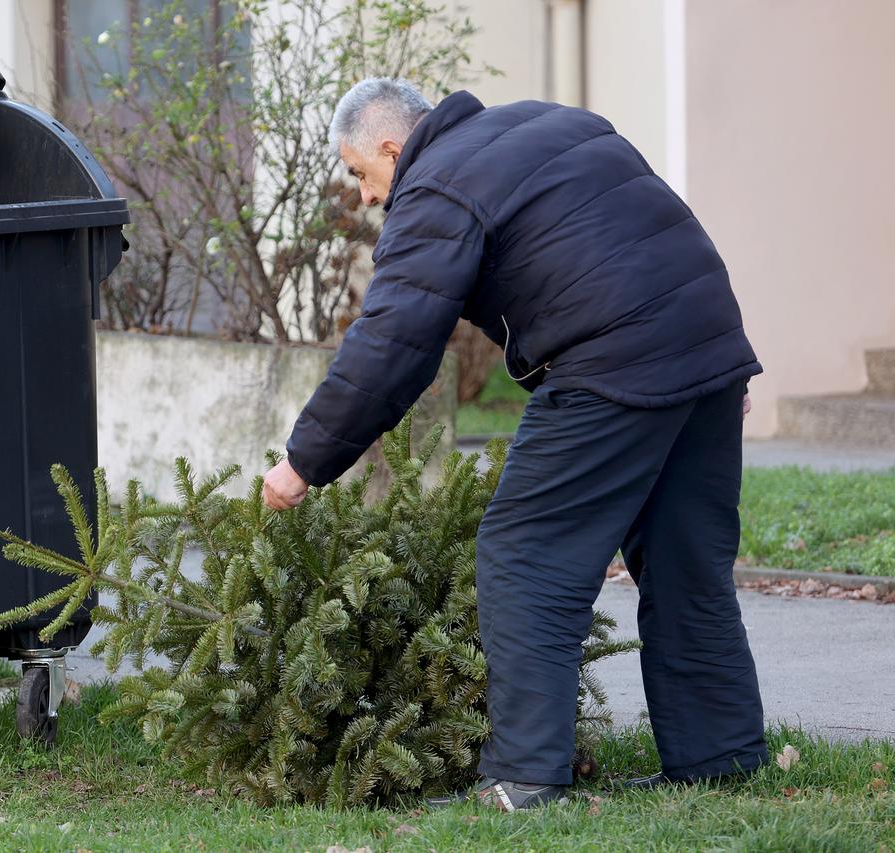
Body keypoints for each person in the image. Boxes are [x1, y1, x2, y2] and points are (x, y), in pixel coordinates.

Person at [261, 78, 767, 811]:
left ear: (392, 149)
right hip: (706, 338)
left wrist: (304, 461)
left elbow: (393, 342)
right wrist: (712, 363)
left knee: (526, 551)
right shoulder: (547, 122)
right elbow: (652, 223)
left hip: (616, 357)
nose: (366, 198)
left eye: (360, 175)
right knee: (686, 555)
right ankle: (721, 758)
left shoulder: (435, 186)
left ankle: (523, 781)